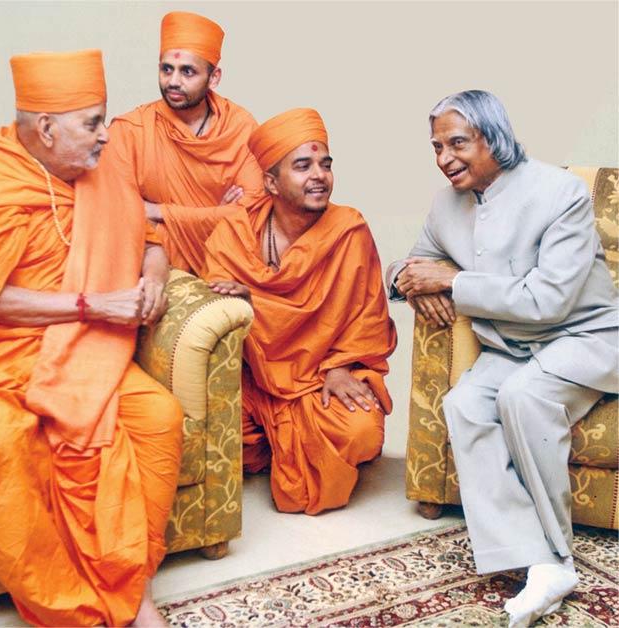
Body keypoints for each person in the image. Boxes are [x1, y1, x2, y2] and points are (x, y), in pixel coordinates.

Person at [0, 50, 183, 627]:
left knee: (157, 416)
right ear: (47, 129)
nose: (107, 135)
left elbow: (152, 236)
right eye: (93, 123)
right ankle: (73, 609)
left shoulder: (103, 171)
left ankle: (128, 585)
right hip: (0, 355)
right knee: (0, 445)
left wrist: (152, 280)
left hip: (88, 348)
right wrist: (91, 304)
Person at [386, 90, 618, 628]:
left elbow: (548, 300)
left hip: (585, 336)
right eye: (437, 147)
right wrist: (410, 281)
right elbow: (414, 261)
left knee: (523, 396)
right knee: (464, 404)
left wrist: (453, 281)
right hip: (509, 346)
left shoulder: (560, 193)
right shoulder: (448, 202)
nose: (445, 159)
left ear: (494, 137)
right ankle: (533, 557)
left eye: (458, 143)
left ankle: (558, 558)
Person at [201, 108, 397, 515]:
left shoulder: (348, 229)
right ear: (271, 182)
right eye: (303, 166)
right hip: (255, 378)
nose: (319, 176)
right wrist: (240, 306)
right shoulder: (236, 232)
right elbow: (213, 307)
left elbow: (369, 317)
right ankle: (279, 440)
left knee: (362, 432)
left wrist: (341, 366)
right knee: (208, 431)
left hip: (324, 373)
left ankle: (290, 440)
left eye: (325, 165)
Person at [82, 10, 263, 275]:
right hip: (156, 264)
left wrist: (157, 210)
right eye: (167, 69)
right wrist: (216, 213)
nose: (173, 82)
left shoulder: (240, 127)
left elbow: (251, 214)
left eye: (187, 72)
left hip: (230, 262)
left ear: (214, 78)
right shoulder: (132, 130)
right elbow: (115, 210)